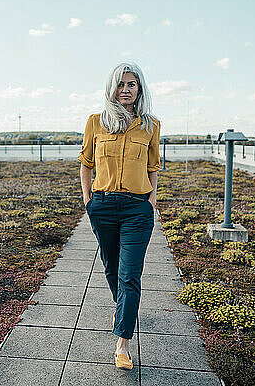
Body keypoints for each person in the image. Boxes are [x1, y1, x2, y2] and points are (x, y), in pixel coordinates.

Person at [78, 62, 161, 370]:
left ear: (140, 90)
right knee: (111, 268)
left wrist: (151, 200)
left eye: (132, 85)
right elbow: (86, 163)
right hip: (103, 205)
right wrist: (88, 199)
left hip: (137, 209)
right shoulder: (96, 122)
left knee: (130, 275)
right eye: (121, 84)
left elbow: (154, 167)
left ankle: (122, 343)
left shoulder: (151, 126)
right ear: (112, 88)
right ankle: (122, 308)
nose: (125, 90)